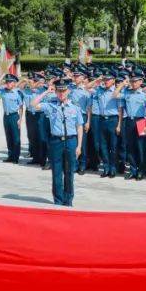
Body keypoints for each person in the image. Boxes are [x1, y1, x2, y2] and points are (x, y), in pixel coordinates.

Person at [31, 78, 84, 206]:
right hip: (56, 142)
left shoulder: (75, 107)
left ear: (68, 91)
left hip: (71, 141)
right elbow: (33, 104)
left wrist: (79, 146)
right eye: (59, 91)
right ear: (56, 92)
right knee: (56, 172)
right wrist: (46, 92)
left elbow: (79, 126)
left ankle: (68, 200)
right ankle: (58, 200)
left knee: (69, 172)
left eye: (63, 91)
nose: (61, 94)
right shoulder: (50, 105)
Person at [0, 73, 24, 163]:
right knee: (9, 137)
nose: (7, 84)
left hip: (14, 116)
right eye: (6, 82)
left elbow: (21, 107)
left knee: (16, 137)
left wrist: (20, 119)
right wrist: (1, 80)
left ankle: (16, 157)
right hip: (6, 116)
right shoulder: (3, 91)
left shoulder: (17, 93)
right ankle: (10, 156)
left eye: (10, 82)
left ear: (14, 83)